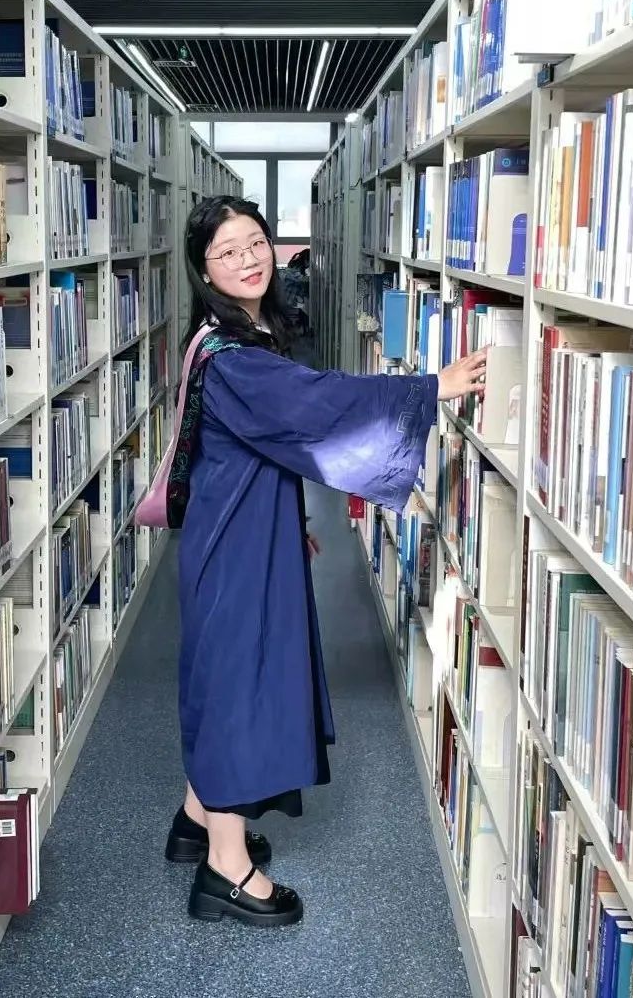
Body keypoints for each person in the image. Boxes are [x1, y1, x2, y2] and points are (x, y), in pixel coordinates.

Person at [162, 196, 486, 928]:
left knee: (225, 677)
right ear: (204, 270)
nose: (249, 259)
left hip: (241, 525)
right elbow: (314, 404)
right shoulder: (236, 358)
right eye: (227, 252)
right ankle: (224, 870)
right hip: (235, 543)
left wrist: (290, 523)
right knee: (238, 689)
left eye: (255, 242)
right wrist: (427, 388)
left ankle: (195, 820)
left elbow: (268, 440)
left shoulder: (227, 335)